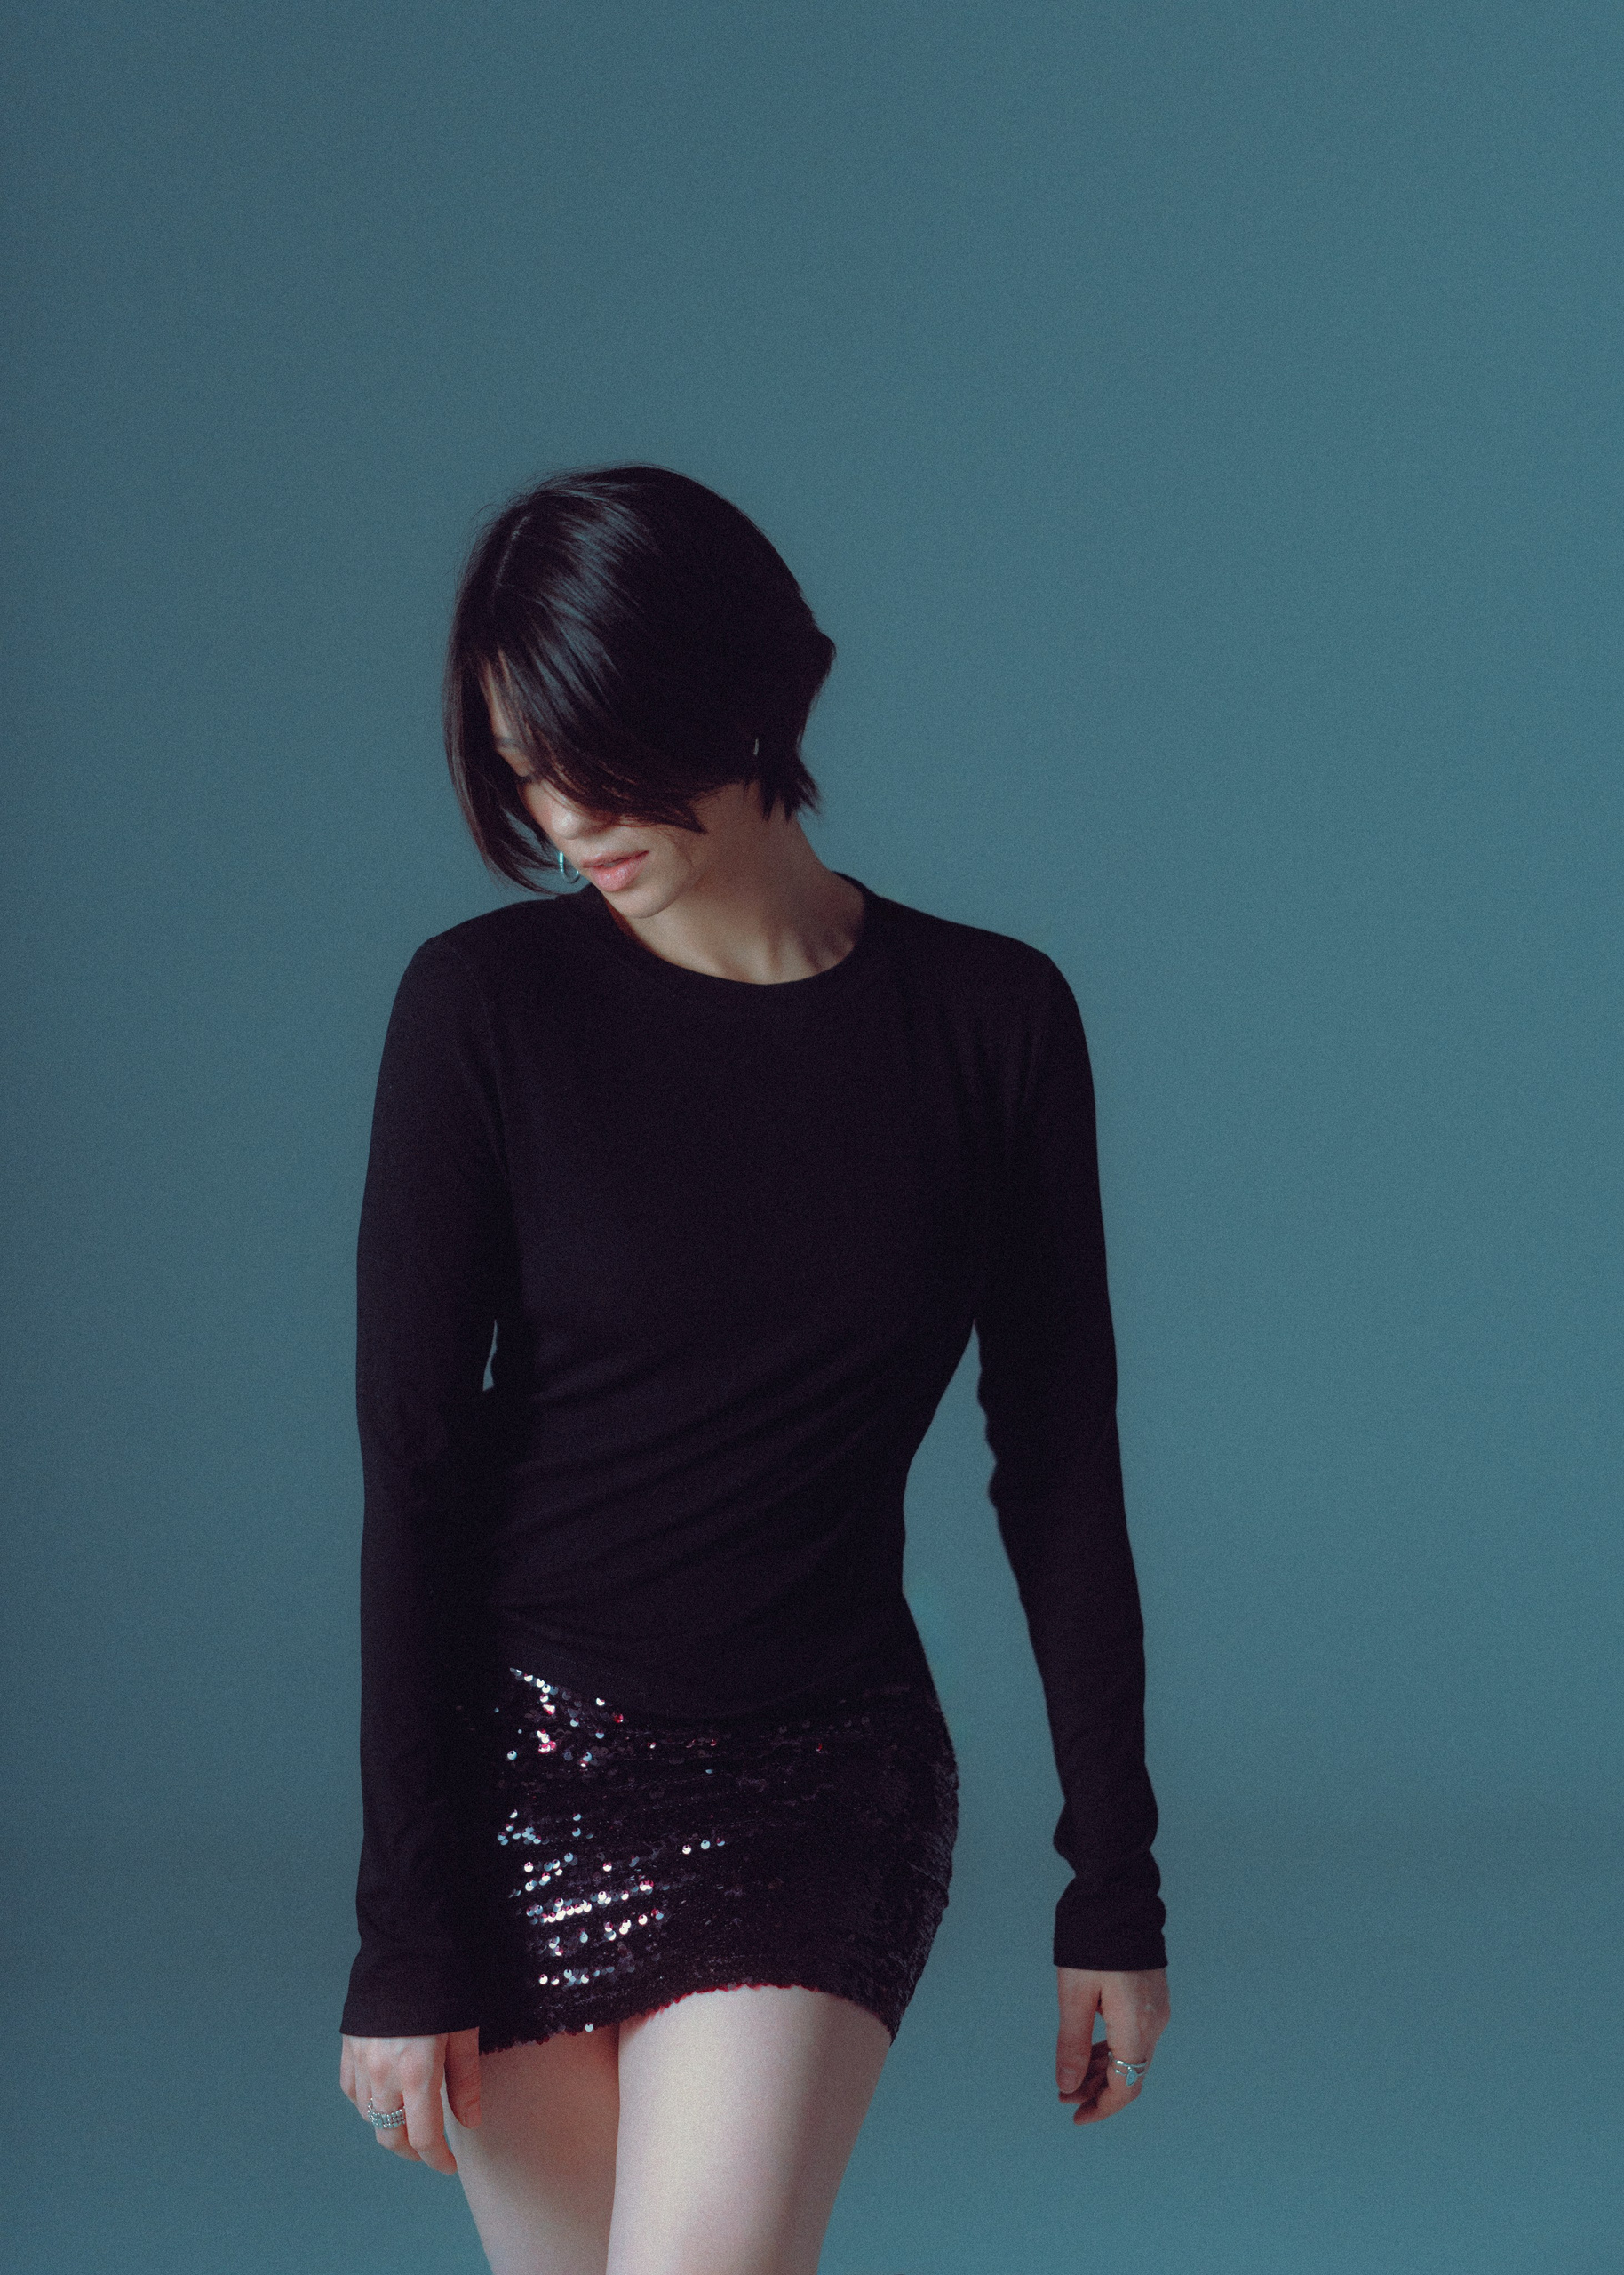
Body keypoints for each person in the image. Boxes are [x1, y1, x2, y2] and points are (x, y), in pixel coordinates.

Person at [337, 463, 1170, 2275]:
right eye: (523, 772)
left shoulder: (994, 1023)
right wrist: (404, 1929)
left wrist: (1114, 1882)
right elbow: (417, 1473)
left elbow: (1060, 1466)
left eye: (595, 756)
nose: (565, 816)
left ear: (742, 699)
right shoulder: (482, 1008)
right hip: (518, 1769)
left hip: (819, 1776)